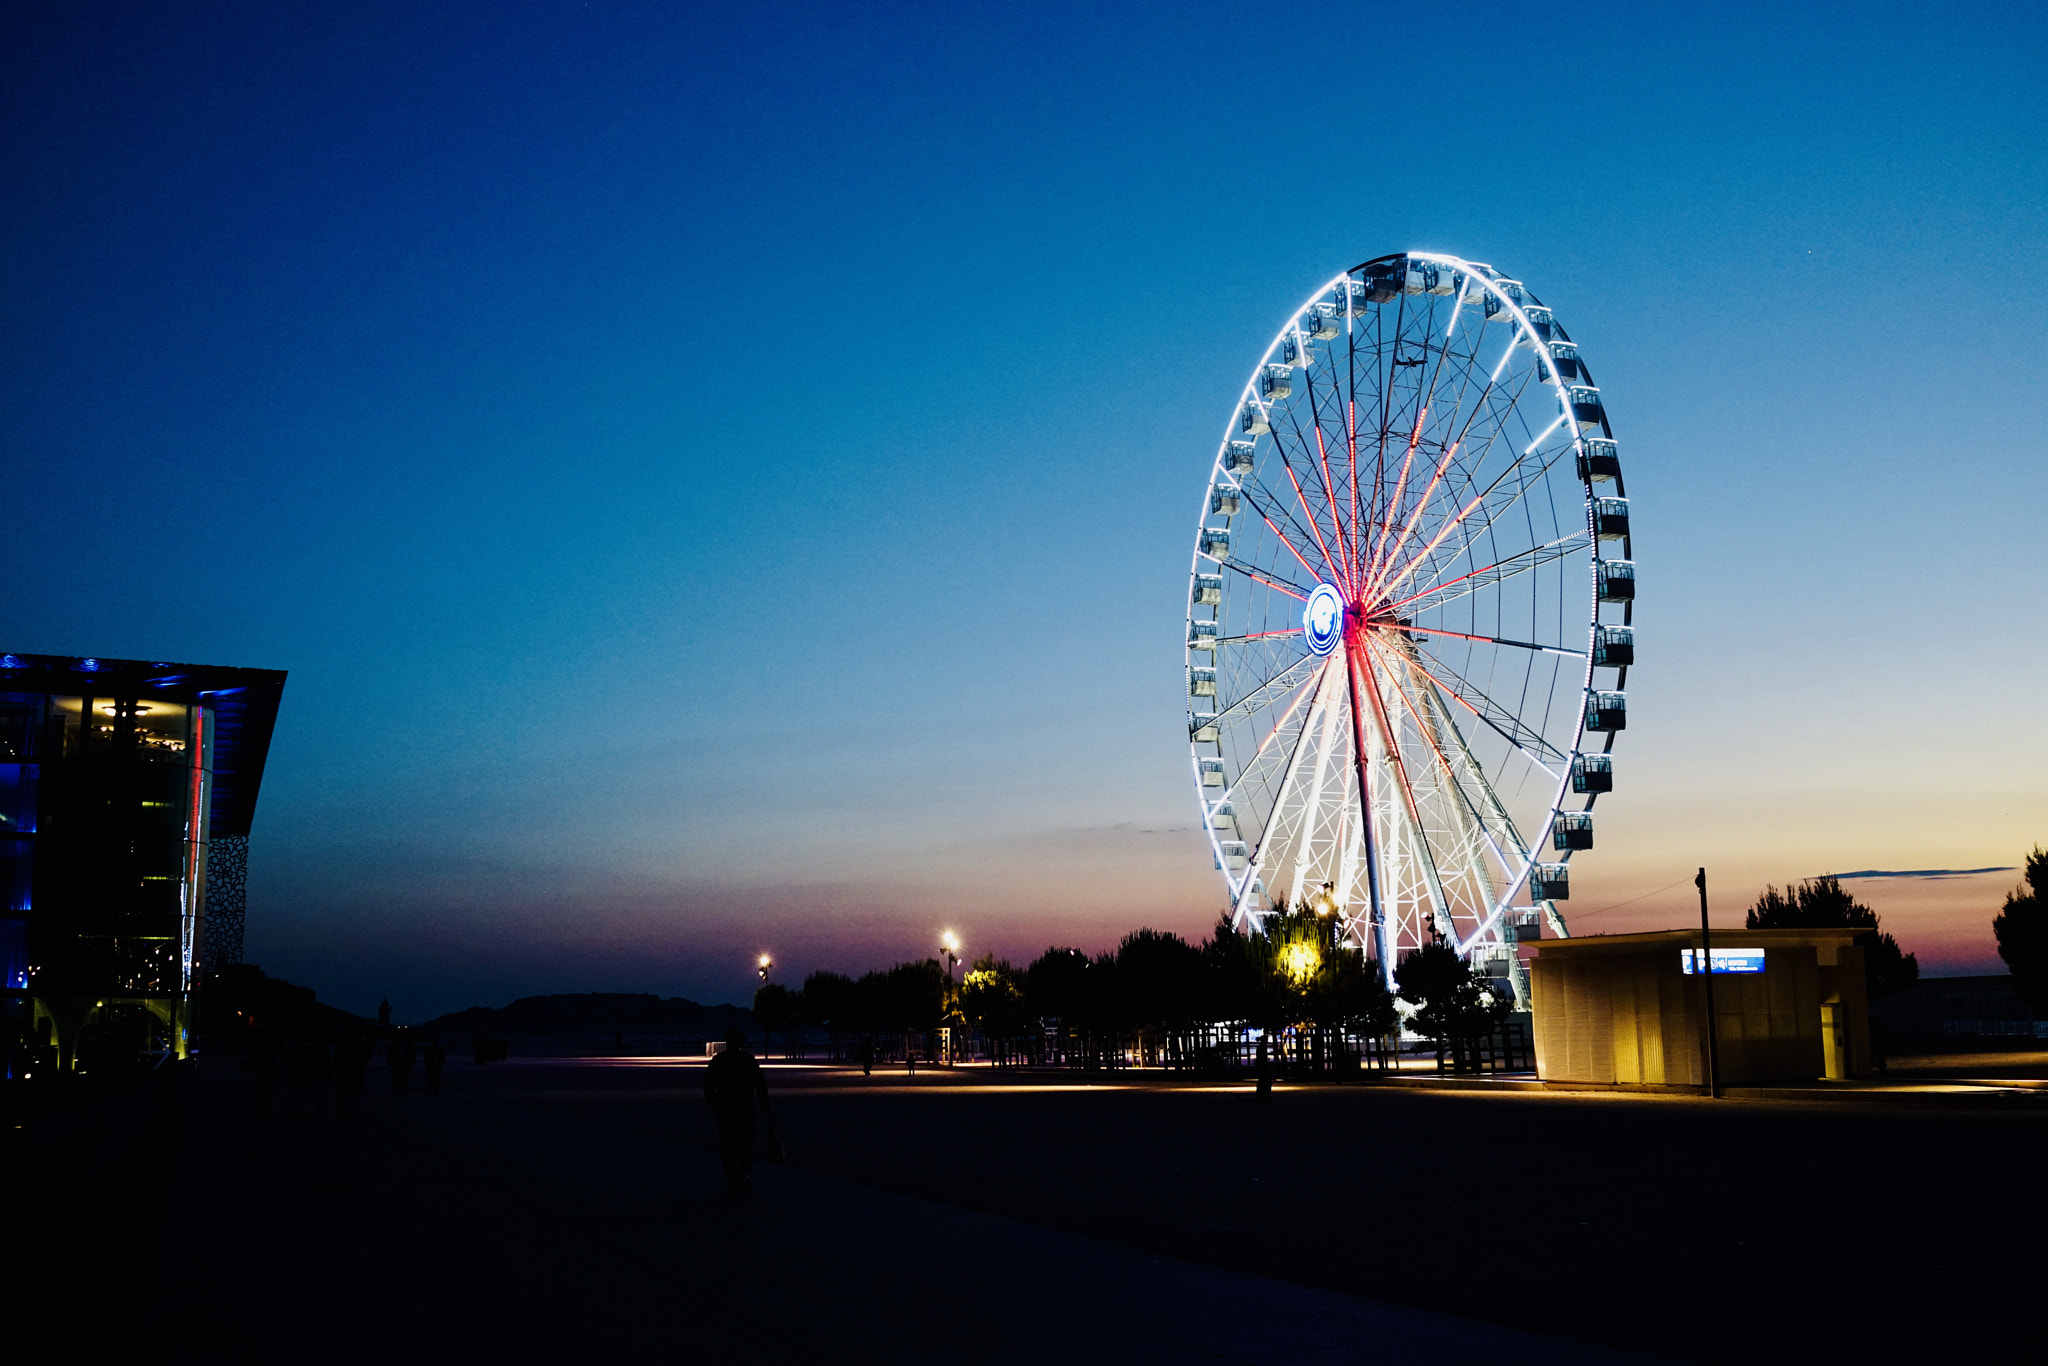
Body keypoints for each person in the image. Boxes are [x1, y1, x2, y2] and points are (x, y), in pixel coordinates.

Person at [702, 1027, 774, 1197]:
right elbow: (760, 1086)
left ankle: (732, 1185)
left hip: (725, 1111)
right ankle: (742, 1173)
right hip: (745, 1110)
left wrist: (716, 1105)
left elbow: (708, 1087)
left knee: (728, 1149)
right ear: (741, 1041)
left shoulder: (718, 1060)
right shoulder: (748, 1060)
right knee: (746, 1147)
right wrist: (767, 1109)